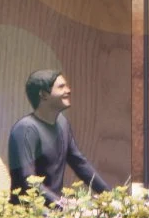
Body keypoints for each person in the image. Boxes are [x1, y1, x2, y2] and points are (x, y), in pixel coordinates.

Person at [7, 68, 113, 205]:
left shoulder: (62, 123)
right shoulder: (26, 129)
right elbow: (28, 180)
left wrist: (109, 194)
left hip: (56, 207)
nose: (68, 90)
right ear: (43, 94)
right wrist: (63, 205)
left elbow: (79, 163)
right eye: (61, 87)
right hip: (30, 210)